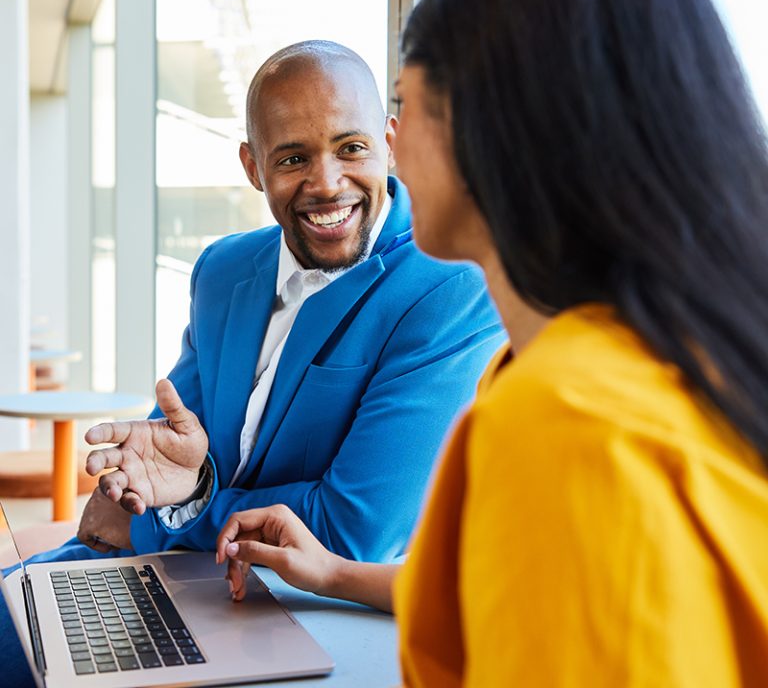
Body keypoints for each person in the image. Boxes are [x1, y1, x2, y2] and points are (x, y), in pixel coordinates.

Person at [213, 0, 768, 685]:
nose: (385, 151)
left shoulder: (564, 421)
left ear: (499, 132)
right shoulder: (648, 359)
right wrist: (337, 575)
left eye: (405, 107)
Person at [34, 40, 504, 564]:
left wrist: (174, 515)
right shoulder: (222, 270)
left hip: (303, 602)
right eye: (293, 158)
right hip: (167, 570)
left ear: (389, 144)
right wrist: (153, 494)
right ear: (253, 167)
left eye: (351, 148)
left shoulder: (452, 284)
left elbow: (355, 531)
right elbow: (169, 461)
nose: (327, 184)